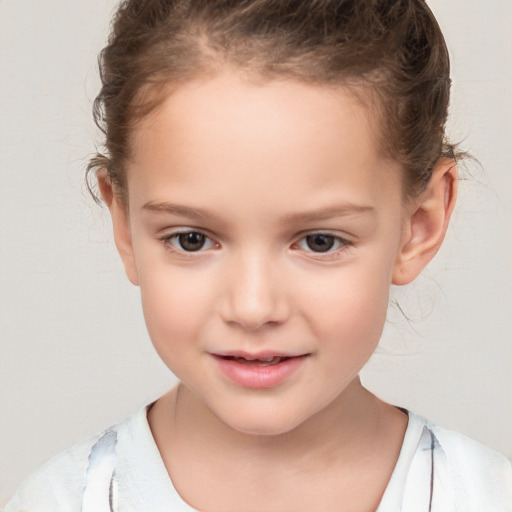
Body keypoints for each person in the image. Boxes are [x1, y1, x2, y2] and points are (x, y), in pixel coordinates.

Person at [5, 0, 511, 510]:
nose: (252, 308)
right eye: (192, 239)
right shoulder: (61, 500)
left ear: (418, 225)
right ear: (125, 224)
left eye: (319, 241)